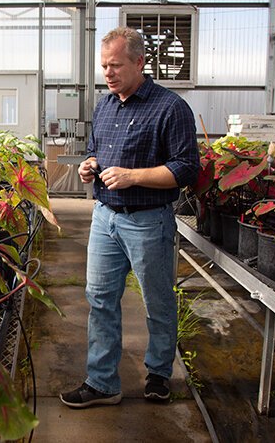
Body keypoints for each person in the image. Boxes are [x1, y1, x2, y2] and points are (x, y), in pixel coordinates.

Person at [60, 27, 199, 408]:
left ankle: (158, 374)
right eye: (104, 65)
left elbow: (187, 168)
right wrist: (90, 165)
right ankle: (103, 382)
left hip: (148, 221)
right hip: (105, 218)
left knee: (157, 302)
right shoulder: (105, 105)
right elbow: (95, 149)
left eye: (116, 65)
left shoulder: (171, 108)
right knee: (101, 299)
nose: (107, 72)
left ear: (139, 62)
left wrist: (133, 176)